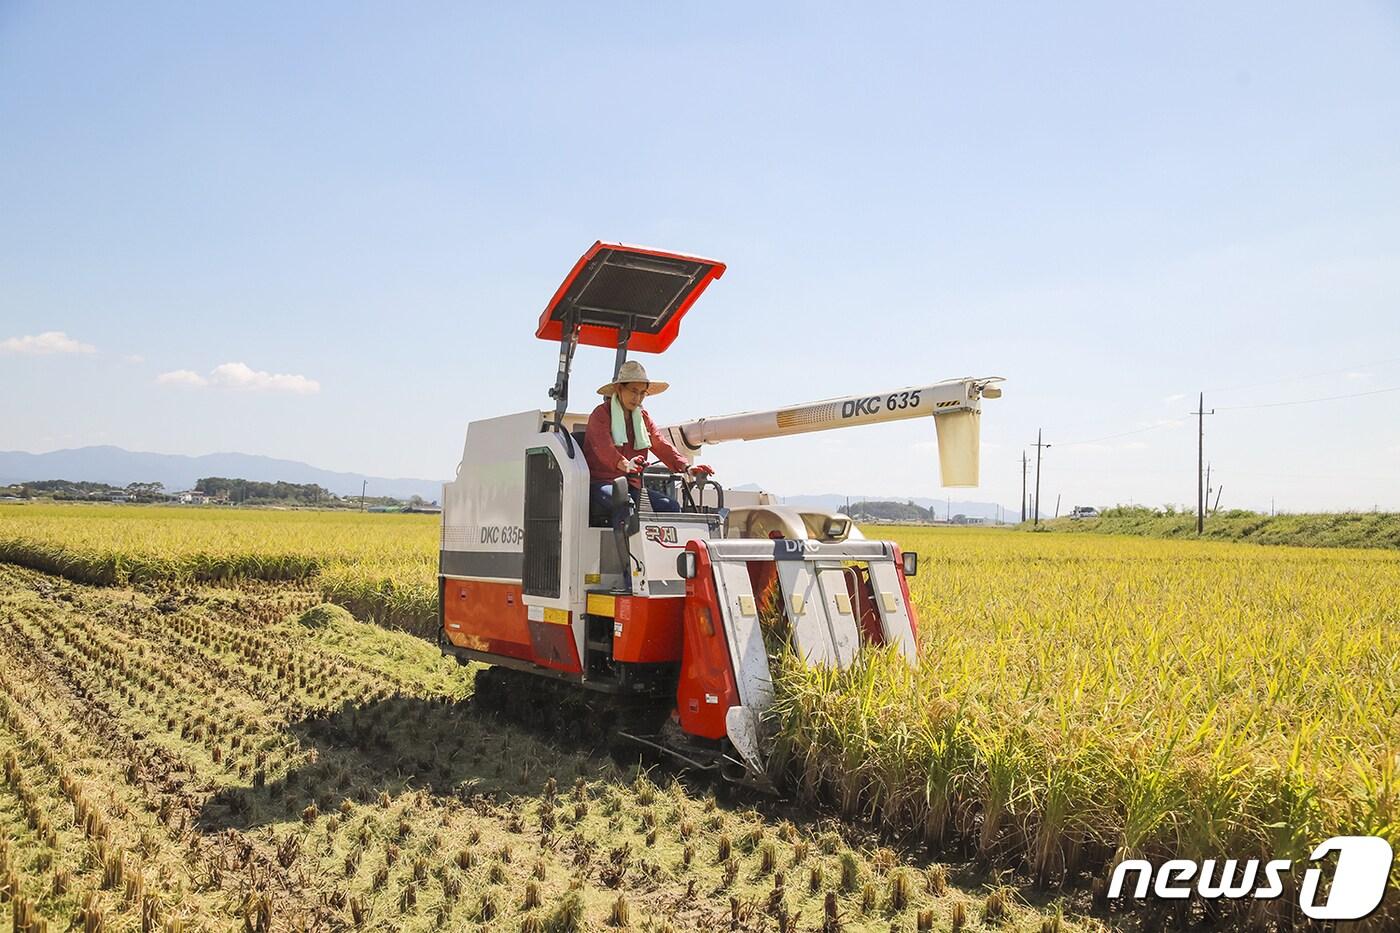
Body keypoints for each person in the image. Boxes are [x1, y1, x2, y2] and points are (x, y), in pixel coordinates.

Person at [583, 360, 714, 522]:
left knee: (671, 506)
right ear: (619, 389)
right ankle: (626, 548)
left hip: (633, 485)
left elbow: (659, 443)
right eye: (633, 391)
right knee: (624, 504)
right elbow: (604, 449)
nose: (637, 398)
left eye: (642, 393)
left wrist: (686, 467)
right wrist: (626, 464)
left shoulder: (642, 418)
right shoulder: (601, 414)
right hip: (601, 483)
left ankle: (661, 547)